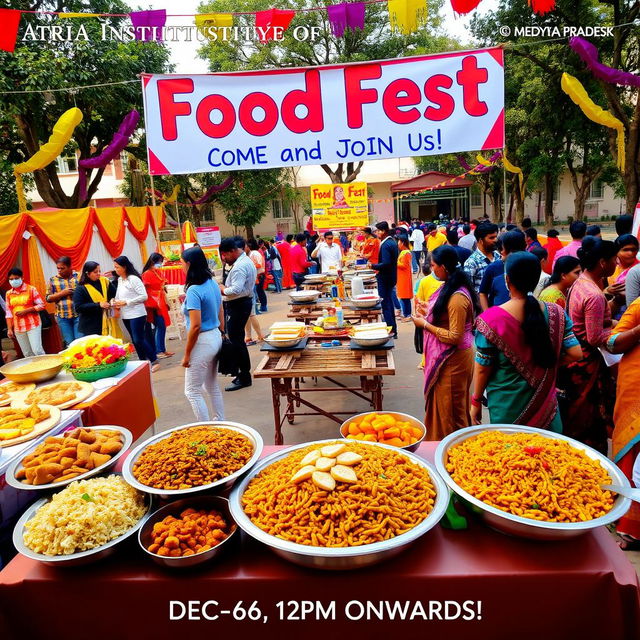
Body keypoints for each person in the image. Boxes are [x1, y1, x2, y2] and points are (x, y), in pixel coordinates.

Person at [472, 252, 582, 431]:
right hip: (546, 407)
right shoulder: (556, 312)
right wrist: (545, 367)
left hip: (507, 407)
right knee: (547, 456)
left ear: (507, 280)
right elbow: (576, 353)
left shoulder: (490, 320)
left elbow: (483, 368)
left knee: (510, 456)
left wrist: (476, 401)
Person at [558, 237, 619, 453]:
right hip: (586, 361)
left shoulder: (580, 282)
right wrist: (624, 332)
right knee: (586, 414)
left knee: (577, 410)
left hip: (576, 352)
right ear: (603, 262)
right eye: (614, 259)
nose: (617, 264)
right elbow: (594, 337)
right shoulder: (594, 294)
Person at [412, 246, 480, 439]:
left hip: (453, 359)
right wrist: (427, 308)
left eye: (433, 266)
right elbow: (442, 312)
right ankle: (440, 444)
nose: (432, 270)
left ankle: (452, 450)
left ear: (444, 267)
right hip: (448, 357)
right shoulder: (449, 285)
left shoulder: (458, 297)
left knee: (451, 409)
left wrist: (425, 324)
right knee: (444, 406)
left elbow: (455, 336)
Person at [607, 297, 640, 548]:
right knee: (631, 454)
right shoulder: (639, 306)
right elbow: (613, 342)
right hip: (635, 388)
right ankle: (630, 526)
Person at [180, 246, 224, 421]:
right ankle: (219, 421)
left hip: (203, 341)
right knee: (211, 385)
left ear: (189, 264)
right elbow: (220, 308)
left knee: (191, 390)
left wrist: (187, 355)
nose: (181, 267)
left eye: (182, 263)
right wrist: (222, 332)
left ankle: (206, 429)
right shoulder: (211, 282)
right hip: (215, 336)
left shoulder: (194, 290)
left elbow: (196, 326)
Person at [218, 237, 256, 391]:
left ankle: (244, 376)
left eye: (225, 255)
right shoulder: (243, 262)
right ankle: (241, 372)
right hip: (242, 303)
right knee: (236, 339)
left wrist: (222, 289)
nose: (224, 259)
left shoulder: (240, 266)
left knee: (237, 341)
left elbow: (236, 290)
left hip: (239, 304)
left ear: (233, 251)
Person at [113, 256, 159, 372]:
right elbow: (118, 295)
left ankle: (154, 360)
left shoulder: (133, 279)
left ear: (124, 267)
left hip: (137, 314)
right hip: (126, 314)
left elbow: (144, 296)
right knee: (135, 340)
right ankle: (142, 362)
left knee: (139, 339)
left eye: (117, 267)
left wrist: (127, 302)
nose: (116, 269)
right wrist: (114, 301)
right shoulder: (120, 280)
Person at [478, 229, 526, 310]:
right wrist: (487, 314)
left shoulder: (530, 265)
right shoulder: (493, 268)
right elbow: (483, 293)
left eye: (504, 249)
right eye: (500, 249)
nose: (501, 252)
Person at [5, 268, 46, 358]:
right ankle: (33, 371)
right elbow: (8, 312)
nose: (13, 281)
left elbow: (42, 305)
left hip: (33, 324)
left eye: (16, 278)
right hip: (18, 327)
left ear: (22, 278)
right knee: (27, 353)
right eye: (11, 279)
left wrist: (26, 310)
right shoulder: (9, 293)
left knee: (37, 350)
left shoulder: (31, 289)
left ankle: (46, 370)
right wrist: (9, 329)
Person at [141, 252, 174, 360]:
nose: (160, 264)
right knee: (160, 326)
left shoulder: (157, 271)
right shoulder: (146, 273)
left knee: (162, 326)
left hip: (160, 300)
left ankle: (162, 349)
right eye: (159, 262)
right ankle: (159, 350)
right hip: (154, 303)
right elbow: (145, 288)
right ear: (153, 261)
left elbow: (163, 282)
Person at [73, 261, 117, 338]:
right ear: (87, 273)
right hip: (91, 325)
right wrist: (98, 305)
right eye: (95, 272)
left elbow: (114, 294)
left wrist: (112, 300)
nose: (99, 273)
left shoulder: (105, 281)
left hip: (108, 319)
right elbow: (78, 307)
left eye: (99, 271)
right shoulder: (81, 288)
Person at [371, 221, 399, 338]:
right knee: (388, 303)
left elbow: (386, 263)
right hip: (390, 276)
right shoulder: (391, 242)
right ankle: (393, 329)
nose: (376, 233)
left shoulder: (387, 244)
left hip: (385, 277)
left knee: (386, 304)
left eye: (378, 231)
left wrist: (372, 266)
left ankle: (391, 330)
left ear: (383, 231)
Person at [46, 256, 79, 348]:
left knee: (80, 342)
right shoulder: (53, 280)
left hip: (78, 315)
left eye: (62, 268)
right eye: (58, 268)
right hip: (62, 316)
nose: (59, 270)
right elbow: (48, 298)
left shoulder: (78, 277)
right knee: (70, 344)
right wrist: (62, 293)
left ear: (70, 267)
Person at [464, 222, 500, 292]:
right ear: (481, 240)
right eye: (491, 238)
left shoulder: (499, 256)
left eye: (496, 237)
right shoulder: (471, 263)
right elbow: (469, 290)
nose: (496, 240)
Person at [247, 238, 267, 314]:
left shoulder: (254, 253)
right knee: (259, 292)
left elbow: (259, 264)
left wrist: (249, 266)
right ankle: (263, 307)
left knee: (258, 292)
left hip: (259, 275)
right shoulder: (255, 253)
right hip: (259, 275)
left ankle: (261, 307)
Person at [396, 236, 413, 322]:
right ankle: (405, 314)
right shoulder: (403, 252)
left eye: (399, 242)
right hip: (402, 277)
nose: (398, 244)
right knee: (403, 296)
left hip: (405, 277)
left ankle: (408, 314)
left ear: (402, 242)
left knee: (405, 297)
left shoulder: (406, 253)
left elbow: (404, 265)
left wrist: (395, 263)